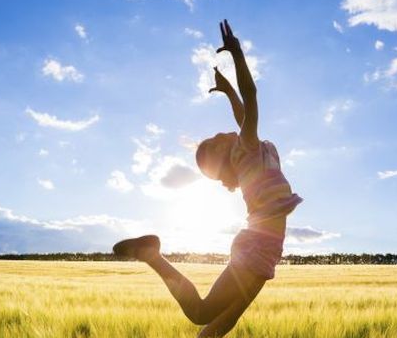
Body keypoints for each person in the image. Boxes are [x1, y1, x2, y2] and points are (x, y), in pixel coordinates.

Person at [113, 19, 302, 337]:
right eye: (215, 141)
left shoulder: (254, 150)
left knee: (224, 323)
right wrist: (238, 55)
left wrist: (228, 91)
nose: (220, 133)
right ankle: (152, 255)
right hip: (258, 247)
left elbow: (243, 113)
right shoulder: (248, 149)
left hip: (265, 247)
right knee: (202, 312)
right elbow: (252, 99)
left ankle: (152, 256)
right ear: (228, 154)